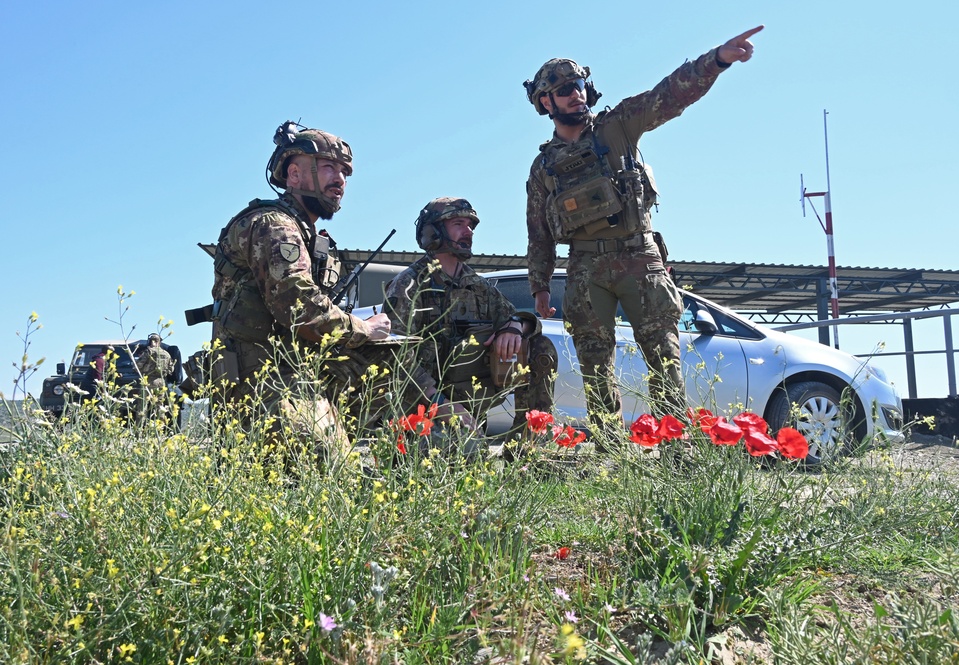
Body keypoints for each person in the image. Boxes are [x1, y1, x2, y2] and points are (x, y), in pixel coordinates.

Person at [523, 27, 763, 440]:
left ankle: (674, 450)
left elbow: (668, 96)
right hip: (585, 267)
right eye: (564, 89)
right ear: (546, 101)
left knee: (664, 358)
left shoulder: (617, 127)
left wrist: (717, 60)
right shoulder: (543, 168)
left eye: (579, 85)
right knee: (595, 366)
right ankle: (609, 450)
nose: (575, 94)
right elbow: (538, 232)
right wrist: (540, 285)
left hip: (640, 257)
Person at [206, 121, 469, 466]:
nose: (340, 180)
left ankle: (420, 461)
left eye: (344, 172)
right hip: (262, 380)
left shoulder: (313, 239)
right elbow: (299, 307)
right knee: (329, 476)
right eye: (329, 167)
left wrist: (433, 397)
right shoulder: (275, 226)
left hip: (301, 371)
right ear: (294, 174)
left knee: (395, 363)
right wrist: (363, 328)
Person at [384, 197, 557, 442]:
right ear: (433, 232)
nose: (468, 232)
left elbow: (523, 320)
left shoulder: (477, 286)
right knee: (464, 458)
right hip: (423, 408)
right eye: (458, 224)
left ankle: (526, 447)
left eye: (470, 226)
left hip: (467, 402)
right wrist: (439, 403)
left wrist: (515, 327)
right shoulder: (409, 285)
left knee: (541, 348)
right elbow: (395, 357)